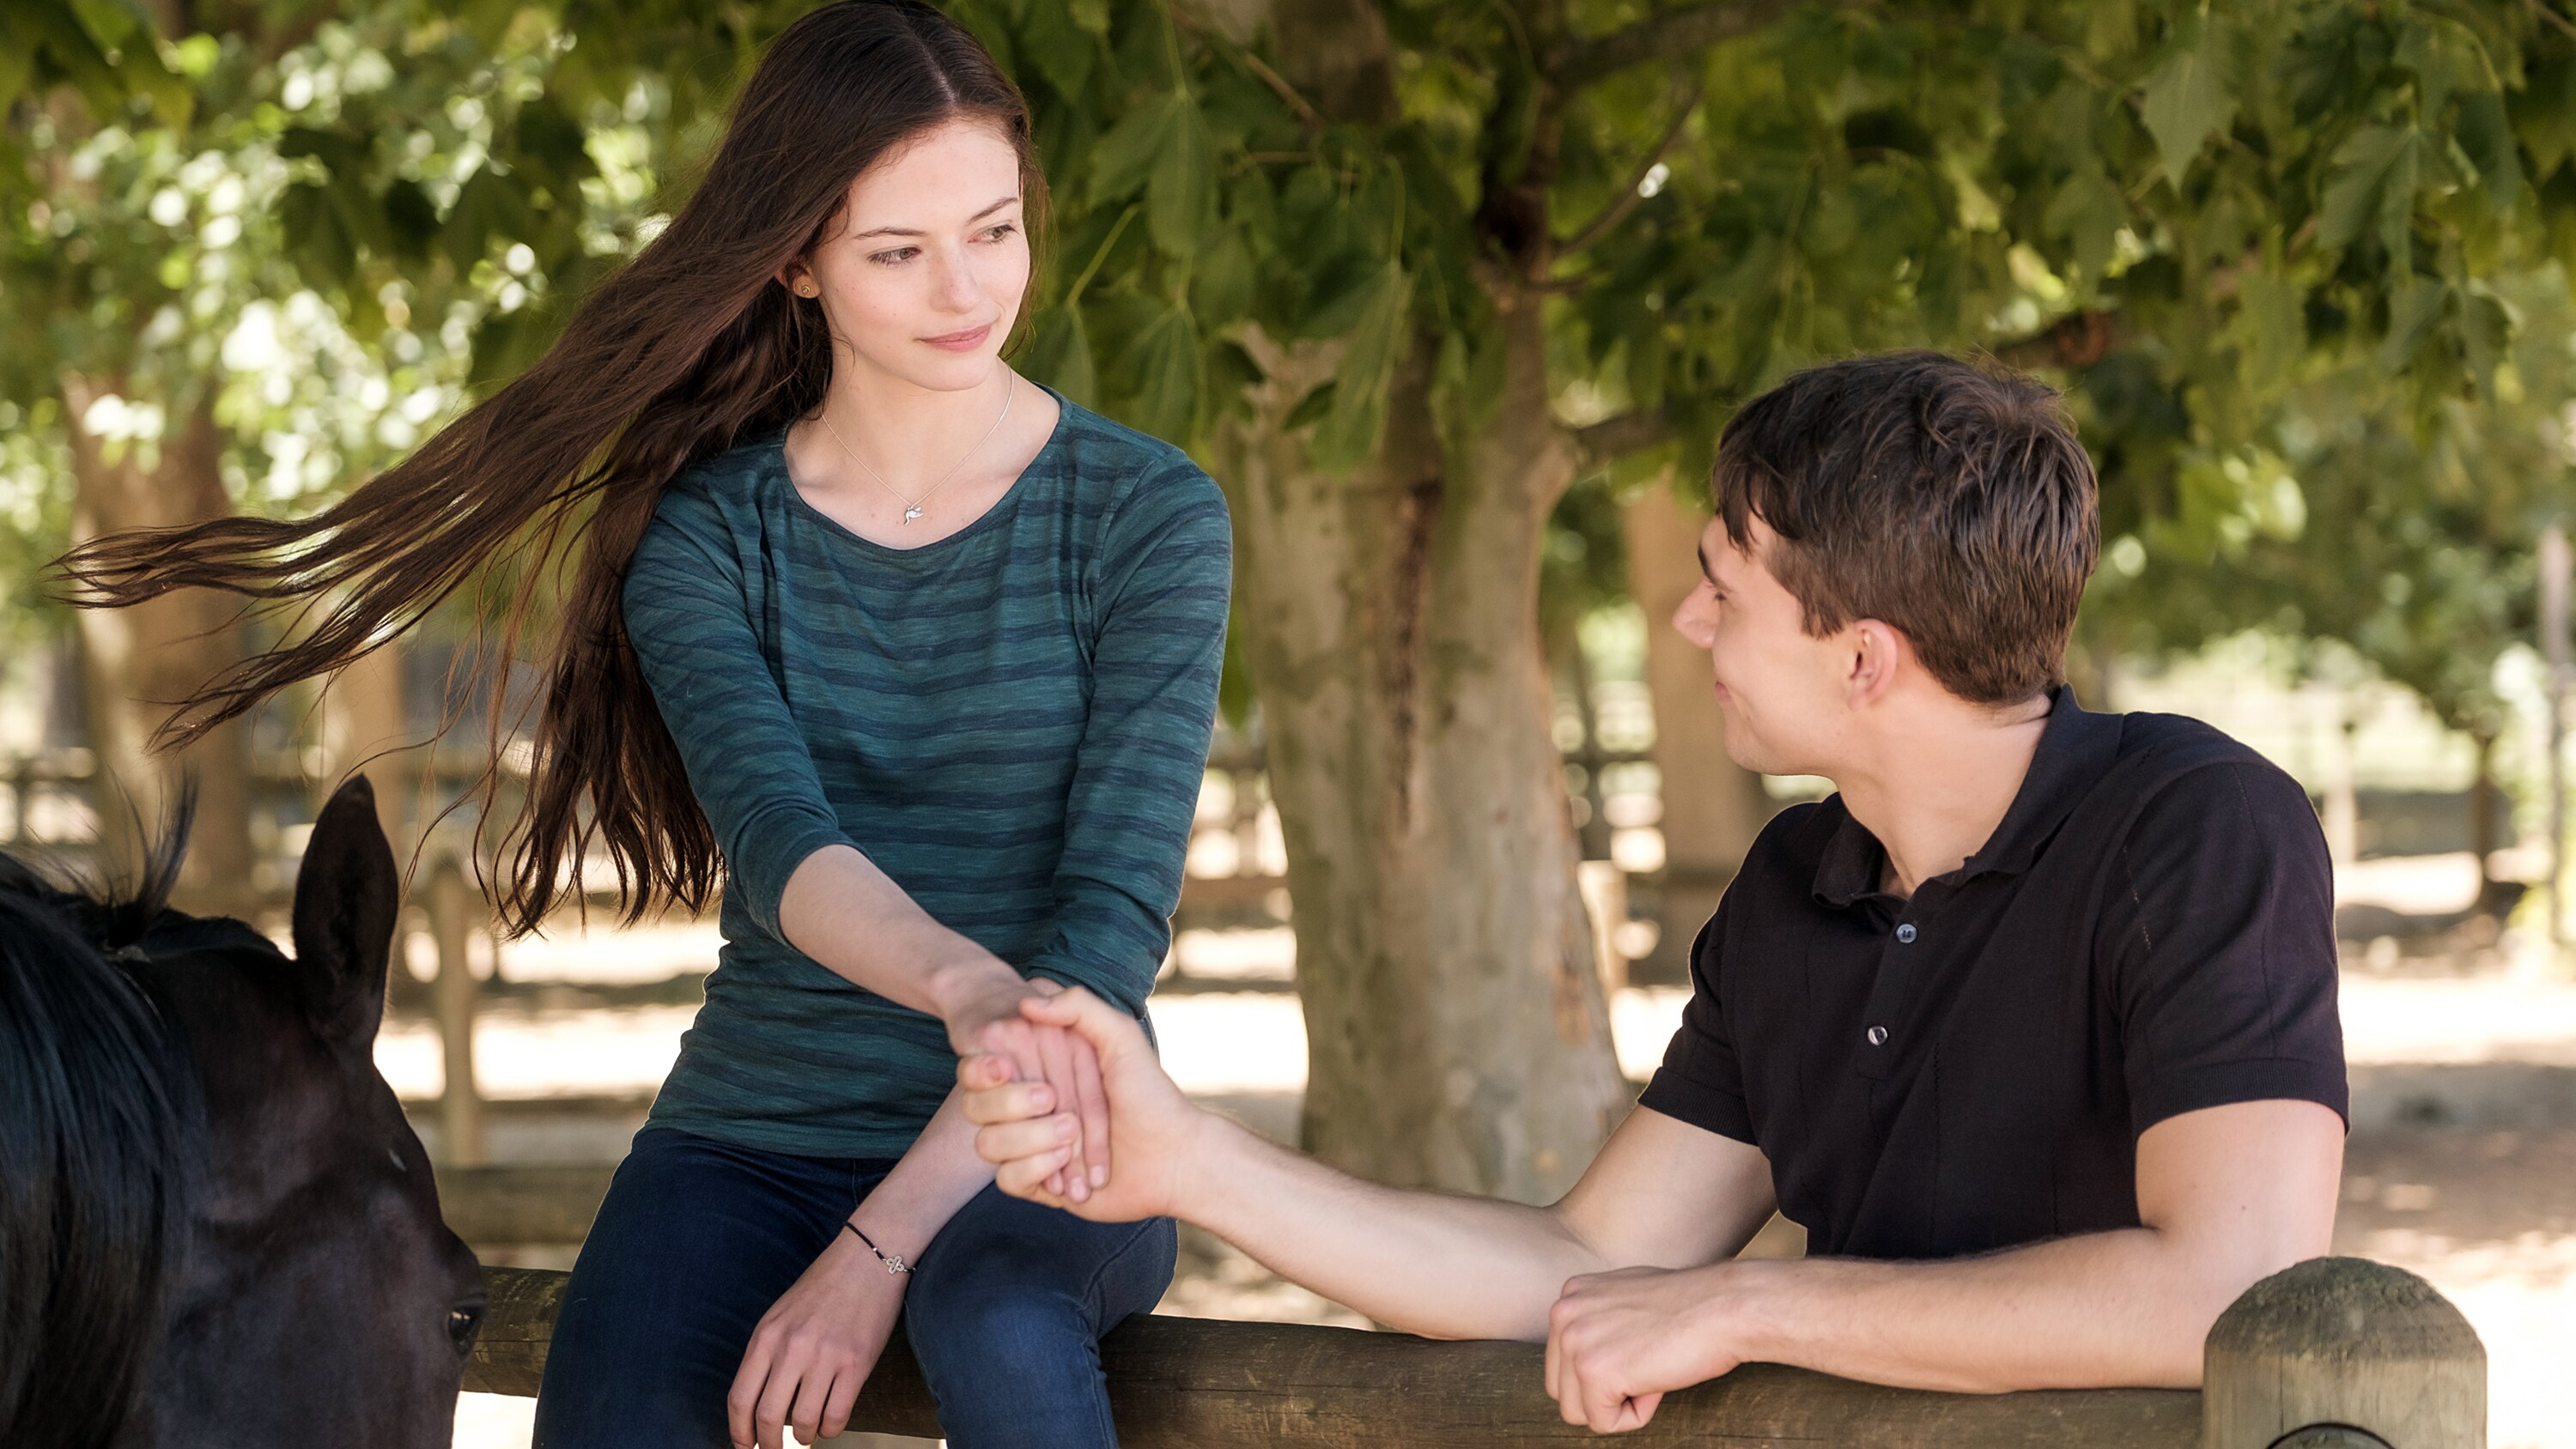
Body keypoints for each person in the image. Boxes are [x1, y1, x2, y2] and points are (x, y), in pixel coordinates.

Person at [57, 4, 1228, 1446]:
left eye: (994, 230)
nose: (965, 289)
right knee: (606, 1404)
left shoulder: (1150, 516)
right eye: (898, 252)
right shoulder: (707, 538)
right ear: (796, 261)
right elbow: (787, 849)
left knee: (988, 1319)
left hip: (1059, 1137)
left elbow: (1105, 936)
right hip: (756, 1127)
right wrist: (964, 994)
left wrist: (874, 1255)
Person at [958, 351, 2347, 1432]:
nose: (1688, 625)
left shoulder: (2203, 827)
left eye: (1723, 588)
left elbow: (2226, 1289)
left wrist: (1750, 1304)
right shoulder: (1797, 884)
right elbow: (1577, 1260)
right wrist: (1189, 1161)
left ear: (1864, 661)